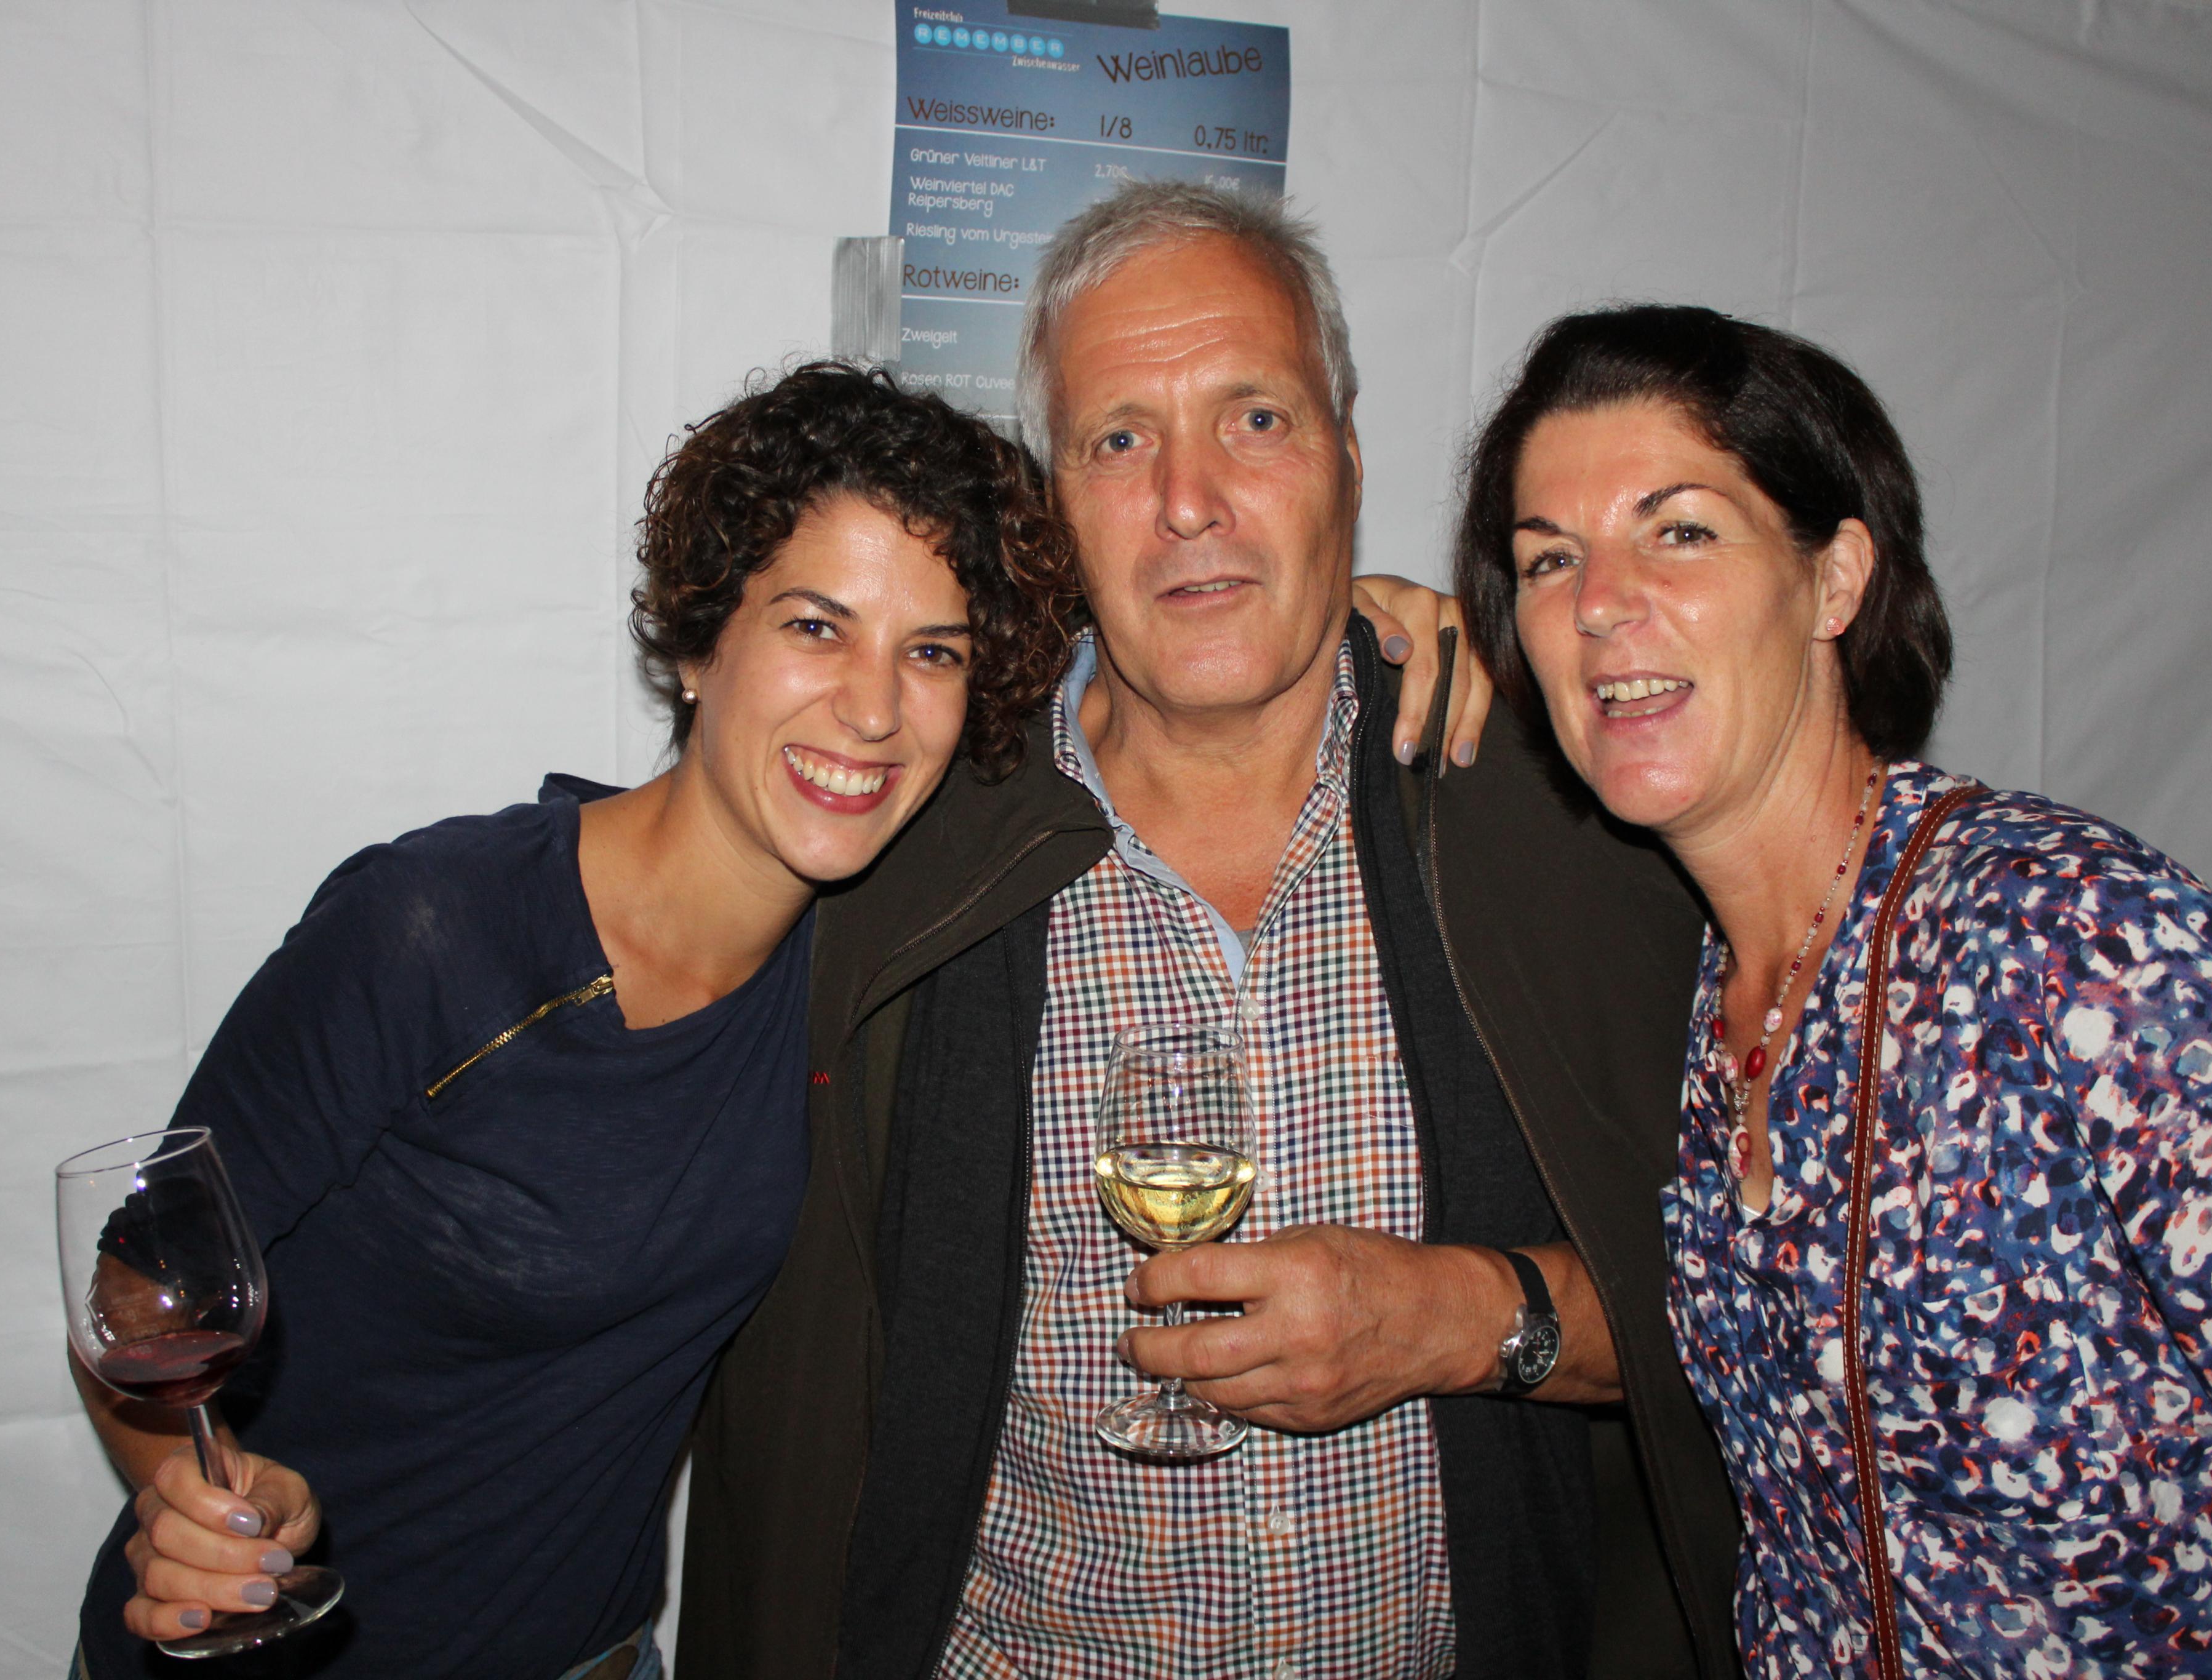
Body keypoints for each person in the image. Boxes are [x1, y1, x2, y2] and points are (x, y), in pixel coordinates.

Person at [679, 184, 1743, 1680]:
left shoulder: (1555, 814)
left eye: (1253, 419)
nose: (1188, 500)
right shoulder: (900, 840)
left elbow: (1770, 1323)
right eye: (1118, 440)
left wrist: (1462, 1319)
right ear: (1053, 503)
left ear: (1346, 462)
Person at [68, 362, 1082, 1679]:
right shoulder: (435, 930)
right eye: (816, 626)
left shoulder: (859, 965)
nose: (876, 706)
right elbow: (138, 1285)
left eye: (930, 651)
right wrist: (194, 1495)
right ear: (700, 642)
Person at [1451, 303, 2212, 1674]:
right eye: (1549, 558)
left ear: (1835, 579)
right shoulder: (1715, 1004)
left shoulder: (2067, 937)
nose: (1598, 600)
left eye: (1679, 531)